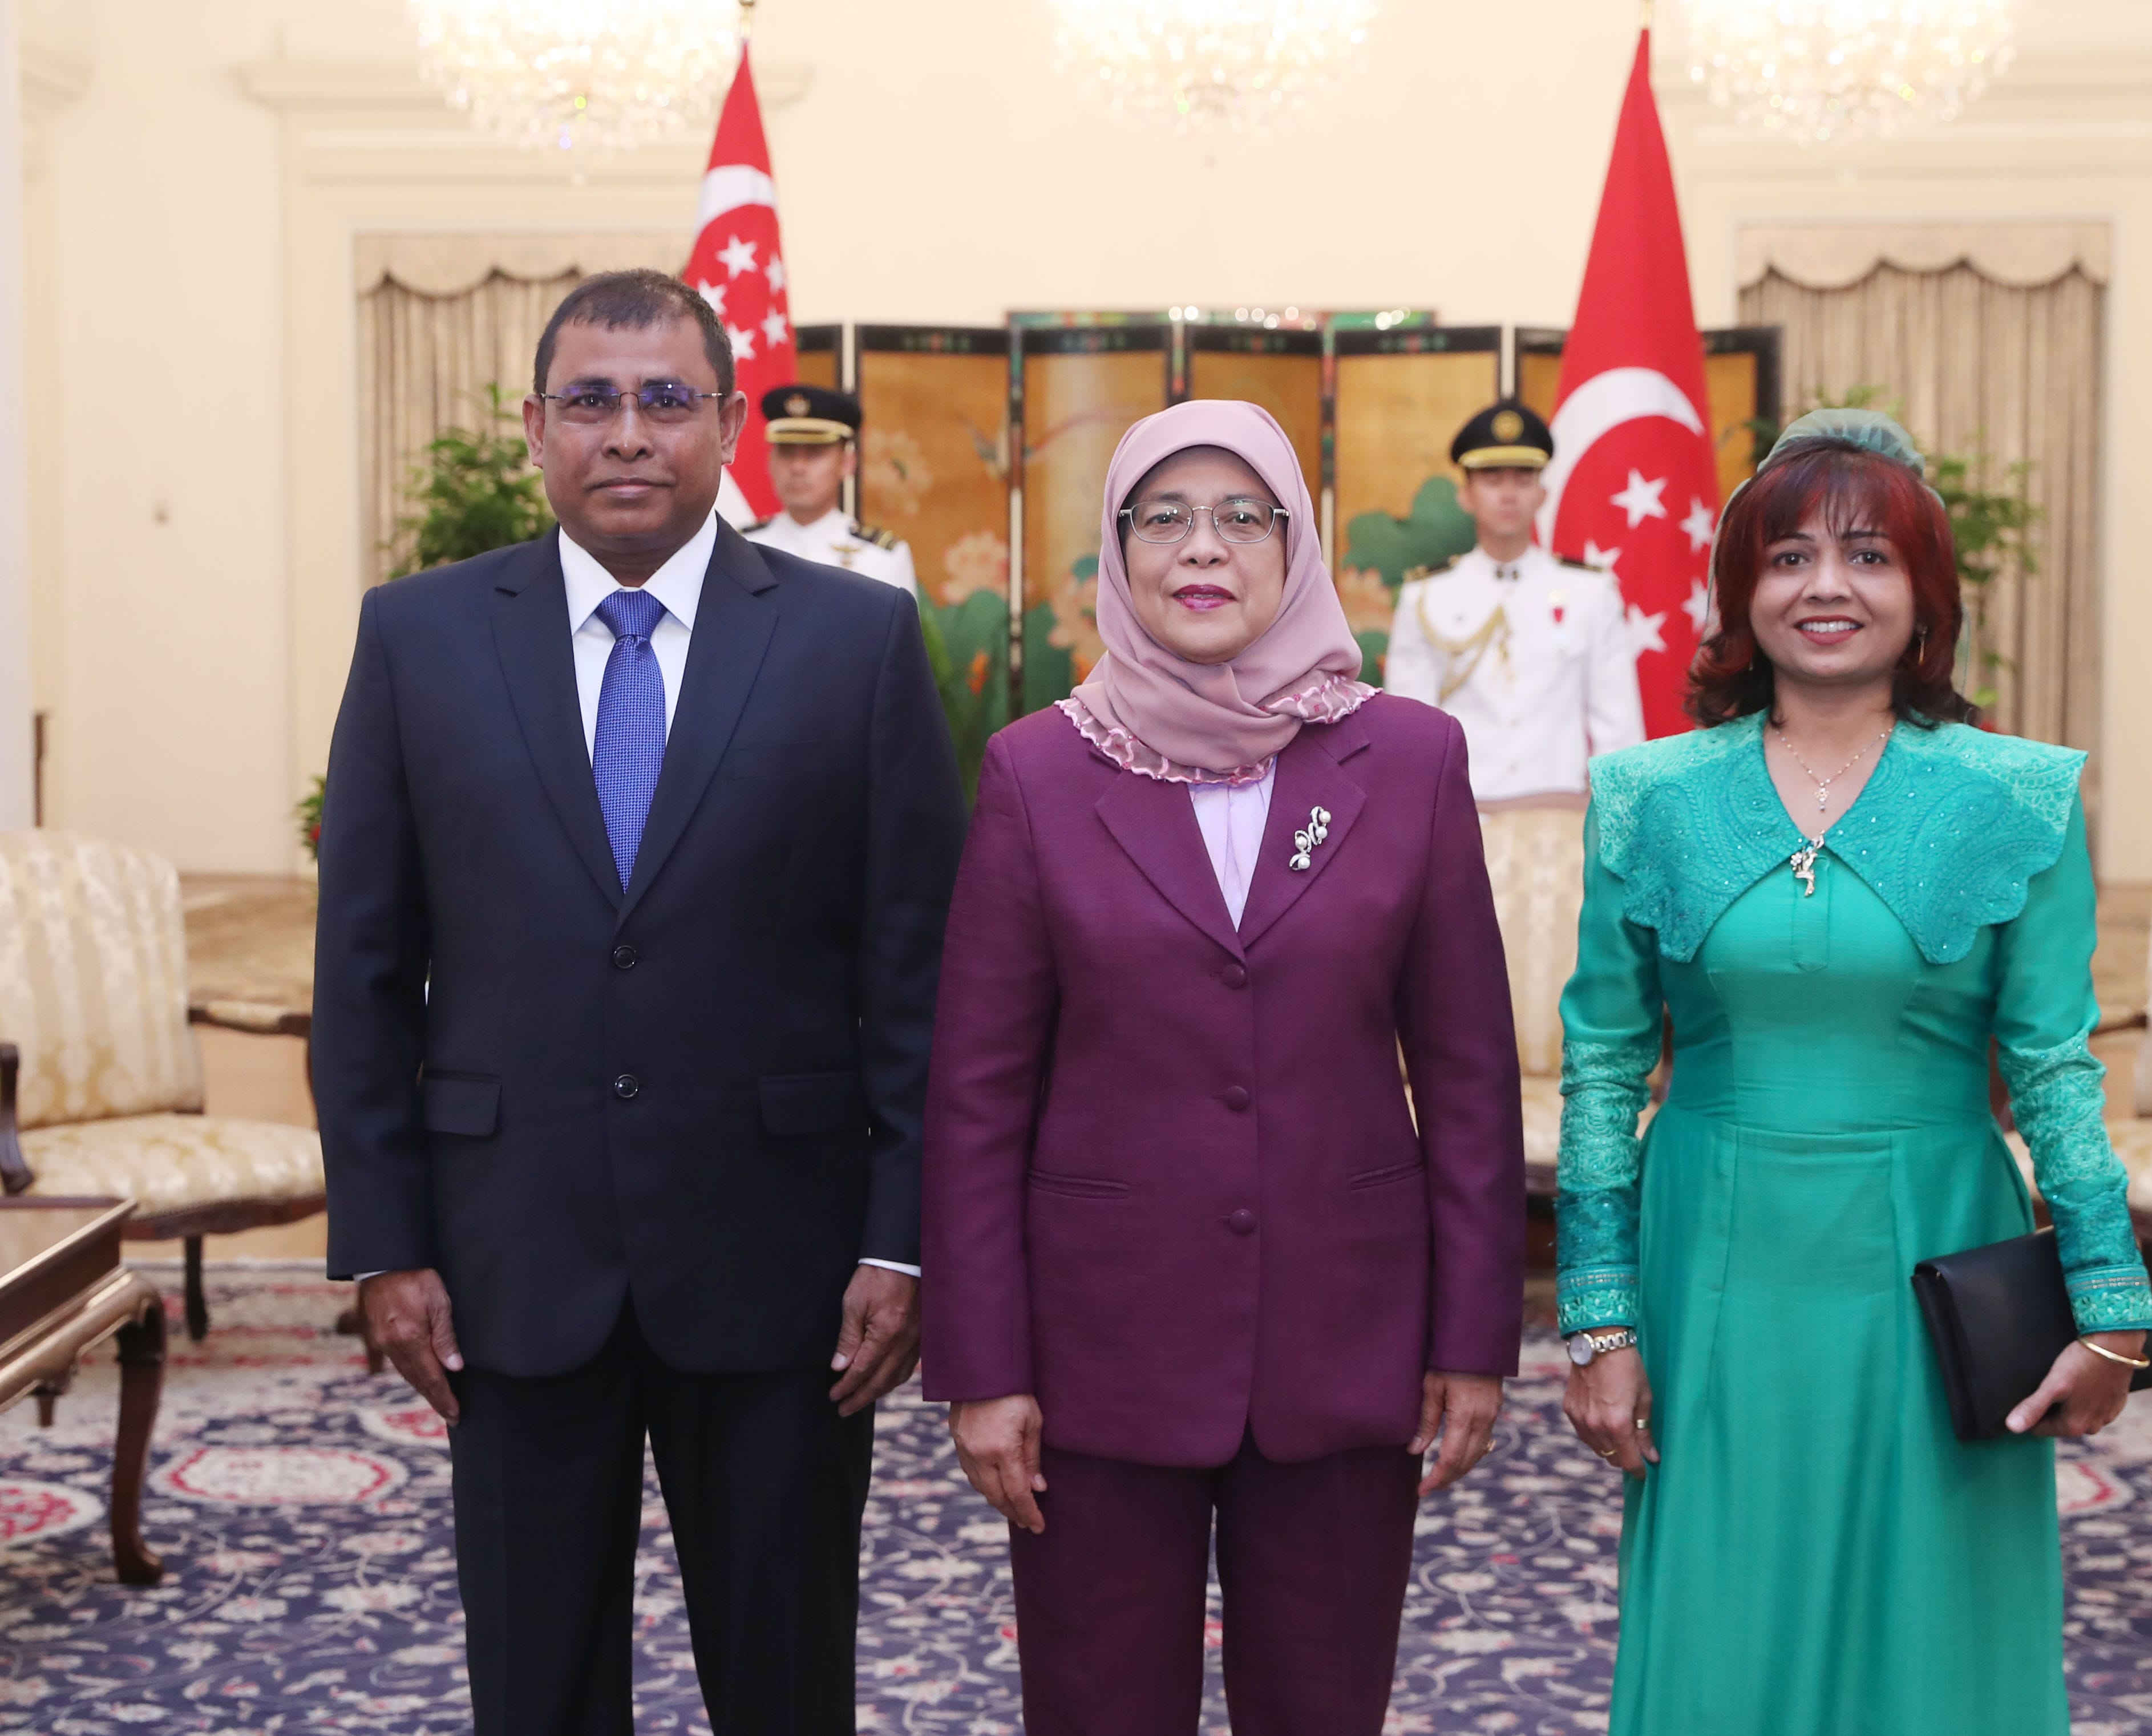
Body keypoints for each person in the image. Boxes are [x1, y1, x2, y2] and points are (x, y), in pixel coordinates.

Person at [314, 269, 964, 1735]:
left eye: (666, 399)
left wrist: (902, 1236)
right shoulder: (415, 638)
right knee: (533, 1688)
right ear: (536, 426)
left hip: (784, 1262)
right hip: (506, 1259)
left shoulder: (852, 642)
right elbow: (360, 967)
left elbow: (920, 973)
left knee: (784, 1681)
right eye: (592, 400)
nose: (628, 433)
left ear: (727, 424)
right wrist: (383, 1239)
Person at [921, 399, 1526, 1736]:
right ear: (1117, 549)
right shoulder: (1037, 769)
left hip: (1344, 1335)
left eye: (1240, 515)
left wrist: (1471, 1333)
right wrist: (982, 1360)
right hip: (1095, 1355)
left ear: (1293, 543)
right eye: (1164, 517)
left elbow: (1468, 1073)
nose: (1203, 548)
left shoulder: (1407, 759)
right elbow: (973, 1096)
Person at [1555, 408, 2152, 1735]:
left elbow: (2052, 1066)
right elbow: (1599, 1070)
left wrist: (2111, 1305)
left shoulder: (2018, 796)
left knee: (1932, 1611)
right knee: (1725, 1595)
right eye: (1787, 557)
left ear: (1923, 593)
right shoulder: (1643, 793)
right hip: (1711, 1240)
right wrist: (1597, 1316)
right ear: (1738, 591)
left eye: (1868, 555)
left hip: (1934, 1242)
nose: (1824, 586)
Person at [1385, 399, 1642, 805]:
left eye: (1523, 478)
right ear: (1465, 495)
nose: (1508, 494)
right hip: (1463, 814)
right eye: (1491, 478)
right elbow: (1408, 731)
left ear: (1542, 492)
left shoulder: (1590, 592)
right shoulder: (1426, 595)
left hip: (1561, 818)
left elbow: (1618, 728)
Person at [743, 383, 919, 594]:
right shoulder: (740, 549)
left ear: (847, 463)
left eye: (814, 453)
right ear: (770, 461)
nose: (798, 467)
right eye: (787, 452)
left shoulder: (883, 557)